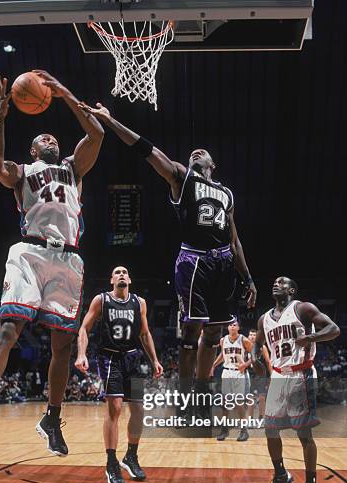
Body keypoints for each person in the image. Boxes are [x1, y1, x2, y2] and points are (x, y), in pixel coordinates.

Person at [78, 101, 256, 419]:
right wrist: (112, 120)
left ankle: (201, 396)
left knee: (214, 334)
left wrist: (248, 278)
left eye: (201, 153)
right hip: (194, 260)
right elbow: (146, 149)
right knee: (190, 335)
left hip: (224, 263)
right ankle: (185, 399)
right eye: (192, 154)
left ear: (213, 164)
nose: (196, 153)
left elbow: (235, 239)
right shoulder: (181, 176)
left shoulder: (227, 194)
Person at [0, 71, 104, 457]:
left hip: (69, 258)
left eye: (53, 137)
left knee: (63, 345)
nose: (51, 138)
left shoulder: (75, 168)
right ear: (34, 150)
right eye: (43, 138)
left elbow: (97, 136)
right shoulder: (22, 171)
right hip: (30, 252)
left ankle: (52, 417)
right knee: (10, 329)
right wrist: (0, 114)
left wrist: (66, 93)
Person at [252, 276, 340, 483]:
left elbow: (334, 329)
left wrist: (311, 337)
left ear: (291, 289)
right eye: (274, 282)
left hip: (301, 374)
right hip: (279, 376)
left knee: (304, 433)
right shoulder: (264, 319)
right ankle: (281, 474)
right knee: (270, 429)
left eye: (282, 282)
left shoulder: (302, 308)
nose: (276, 284)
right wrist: (253, 357)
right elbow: (257, 343)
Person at [75, 266, 163, 483]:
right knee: (114, 408)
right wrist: (81, 354)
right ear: (111, 279)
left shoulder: (139, 302)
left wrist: (154, 360)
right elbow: (84, 328)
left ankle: (130, 457)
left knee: (139, 410)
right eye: (117, 272)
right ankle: (111, 462)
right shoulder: (101, 300)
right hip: (110, 358)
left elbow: (144, 333)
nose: (122, 274)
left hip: (133, 358)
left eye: (125, 272)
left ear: (130, 279)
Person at [210, 320, 253, 441]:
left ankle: (244, 431)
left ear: (238, 327)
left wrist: (245, 365)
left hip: (239, 372)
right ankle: (224, 430)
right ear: (227, 327)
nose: (232, 327)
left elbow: (255, 354)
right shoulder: (223, 340)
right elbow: (223, 355)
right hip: (226, 372)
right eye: (230, 325)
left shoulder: (244, 340)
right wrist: (213, 365)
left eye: (235, 325)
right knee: (225, 403)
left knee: (239, 403)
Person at [247, 328, 272, 424]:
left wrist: (272, 375)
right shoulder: (245, 346)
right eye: (251, 335)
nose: (252, 336)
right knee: (250, 398)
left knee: (262, 397)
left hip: (261, 375)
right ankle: (250, 419)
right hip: (250, 374)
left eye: (254, 335)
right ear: (248, 336)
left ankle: (261, 418)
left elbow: (268, 361)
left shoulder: (262, 347)